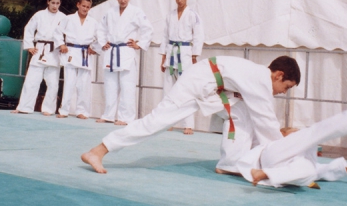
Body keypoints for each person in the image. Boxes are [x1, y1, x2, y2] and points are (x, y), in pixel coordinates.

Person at [81, 55, 301, 174]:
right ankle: (98, 150)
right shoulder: (261, 79)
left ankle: (230, 163)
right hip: (199, 81)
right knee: (156, 122)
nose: (284, 92)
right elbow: (267, 123)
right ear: (279, 75)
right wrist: (285, 155)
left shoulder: (257, 75)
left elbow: (263, 121)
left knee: (242, 112)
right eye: (287, 86)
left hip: (213, 85)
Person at [238, 95, 347, 188]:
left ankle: (263, 174)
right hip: (272, 155)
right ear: (283, 134)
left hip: (276, 169)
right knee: (312, 133)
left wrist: (346, 169)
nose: (296, 132)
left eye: (295, 131)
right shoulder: (278, 140)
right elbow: (310, 134)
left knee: (310, 171)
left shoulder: (303, 160)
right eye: (292, 131)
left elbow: (322, 170)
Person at [97, 0, 153, 125]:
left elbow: (148, 29)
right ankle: (108, 115)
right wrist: (103, 42)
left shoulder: (136, 12)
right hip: (112, 51)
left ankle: (126, 117)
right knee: (110, 85)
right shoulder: (110, 12)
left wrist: (139, 44)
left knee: (127, 86)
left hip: (126, 51)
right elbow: (101, 29)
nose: (123, 1)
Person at [159, 0, 204, 135]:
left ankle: (188, 124)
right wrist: (163, 57)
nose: (179, 1)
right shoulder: (170, 15)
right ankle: (169, 121)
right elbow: (165, 36)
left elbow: (198, 36)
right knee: (168, 90)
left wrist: (194, 55)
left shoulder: (193, 15)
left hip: (185, 52)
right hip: (171, 51)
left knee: (186, 89)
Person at [13, 0, 67, 115]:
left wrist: (63, 46)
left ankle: (48, 109)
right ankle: (25, 107)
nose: (55, 6)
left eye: (57, 3)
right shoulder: (39, 15)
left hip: (54, 51)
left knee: (53, 83)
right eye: (53, 3)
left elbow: (68, 34)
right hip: (40, 49)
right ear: (48, 2)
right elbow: (29, 29)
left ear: (60, 4)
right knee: (32, 80)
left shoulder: (63, 17)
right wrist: (30, 46)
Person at [54, 0, 100, 119]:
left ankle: (82, 111)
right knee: (69, 83)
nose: (85, 9)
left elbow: (100, 37)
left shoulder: (93, 22)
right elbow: (57, 32)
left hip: (85, 53)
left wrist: (94, 47)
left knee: (83, 84)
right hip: (71, 51)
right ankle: (64, 110)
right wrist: (62, 44)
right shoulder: (68, 19)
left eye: (88, 7)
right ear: (78, 5)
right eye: (83, 6)